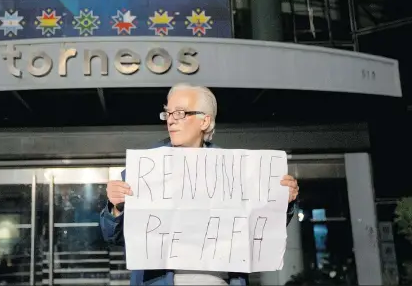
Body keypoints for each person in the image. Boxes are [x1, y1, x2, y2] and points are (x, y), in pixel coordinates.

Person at [99, 83, 300, 286]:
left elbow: (261, 230)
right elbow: (112, 236)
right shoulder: (145, 169)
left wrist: (283, 200)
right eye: (168, 113)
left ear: (205, 121)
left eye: (179, 113)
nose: (170, 120)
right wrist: (115, 207)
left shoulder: (237, 170)